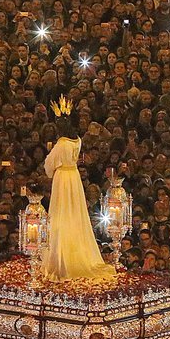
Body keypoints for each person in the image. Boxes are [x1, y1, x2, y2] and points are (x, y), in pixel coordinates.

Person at [39, 98, 114, 280]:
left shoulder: (62, 144)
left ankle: (62, 258)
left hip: (63, 178)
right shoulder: (77, 140)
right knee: (74, 213)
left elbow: (48, 167)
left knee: (61, 213)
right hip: (73, 177)